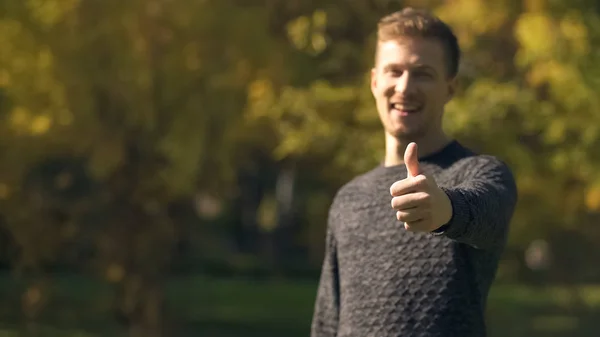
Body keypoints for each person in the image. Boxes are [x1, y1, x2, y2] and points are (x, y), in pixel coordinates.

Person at [310, 7, 518, 337]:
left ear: (450, 88)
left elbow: (487, 214)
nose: (405, 87)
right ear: (375, 81)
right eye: (394, 71)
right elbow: (327, 321)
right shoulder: (348, 199)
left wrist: (446, 209)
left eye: (423, 73)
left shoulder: (479, 173)